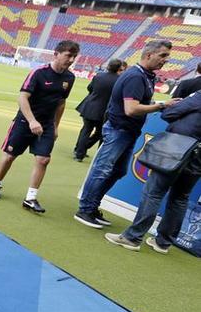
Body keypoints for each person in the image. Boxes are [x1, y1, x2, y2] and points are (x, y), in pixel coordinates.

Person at [75, 40, 180, 228]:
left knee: (117, 171)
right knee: (102, 170)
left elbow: (139, 102)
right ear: (149, 55)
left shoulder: (146, 76)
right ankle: (85, 209)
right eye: (163, 55)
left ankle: (92, 206)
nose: (166, 60)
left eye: (167, 56)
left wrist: (156, 103)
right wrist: (163, 105)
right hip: (119, 130)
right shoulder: (135, 76)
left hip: (127, 131)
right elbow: (131, 109)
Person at [0, 40, 81, 213]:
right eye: (68, 55)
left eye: (74, 56)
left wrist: (55, 126)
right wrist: (31, 120)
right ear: (56, 54)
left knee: (43, 159)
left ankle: (30, 198)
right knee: (9, 156)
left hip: (46, 125)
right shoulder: (38, 73)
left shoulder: (70, 77)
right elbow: (22, 97)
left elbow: (61, 103)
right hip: (25, 122)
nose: (71, 59)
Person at [106, 88, 201, 252]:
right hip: (198, 156)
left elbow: (169, 113)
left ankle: (132, 237)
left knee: (154, 192)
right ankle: (163, 242)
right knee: (180, 197)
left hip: (179, 148)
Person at [73, 59, 126, 162]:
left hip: (90, 107)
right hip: (105, 111)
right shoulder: (120, 80)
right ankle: (97, 156)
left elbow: (90, 88)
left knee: (86, 130)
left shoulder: (99, 76)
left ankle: (79, 153)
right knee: (101, 133)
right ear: (120, 68)